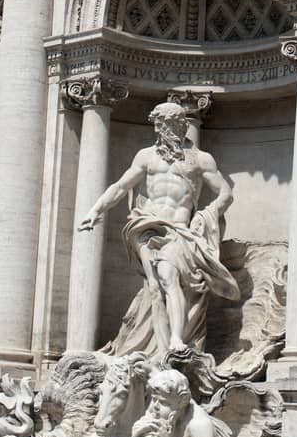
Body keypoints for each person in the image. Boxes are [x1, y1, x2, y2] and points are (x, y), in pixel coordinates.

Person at [77, 99, 239, 360]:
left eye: (173, 124)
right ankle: (163, 349)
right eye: (162, 125)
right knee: (154, 286)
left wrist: (208, 214)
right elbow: (120, 187)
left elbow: (225, 193)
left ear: (183, 125)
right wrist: (95, 210)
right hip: (146, 224)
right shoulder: (146, 156)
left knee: (168, 276)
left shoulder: (200, 159)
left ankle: (175, 338)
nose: (166, 130)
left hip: (178, 229)